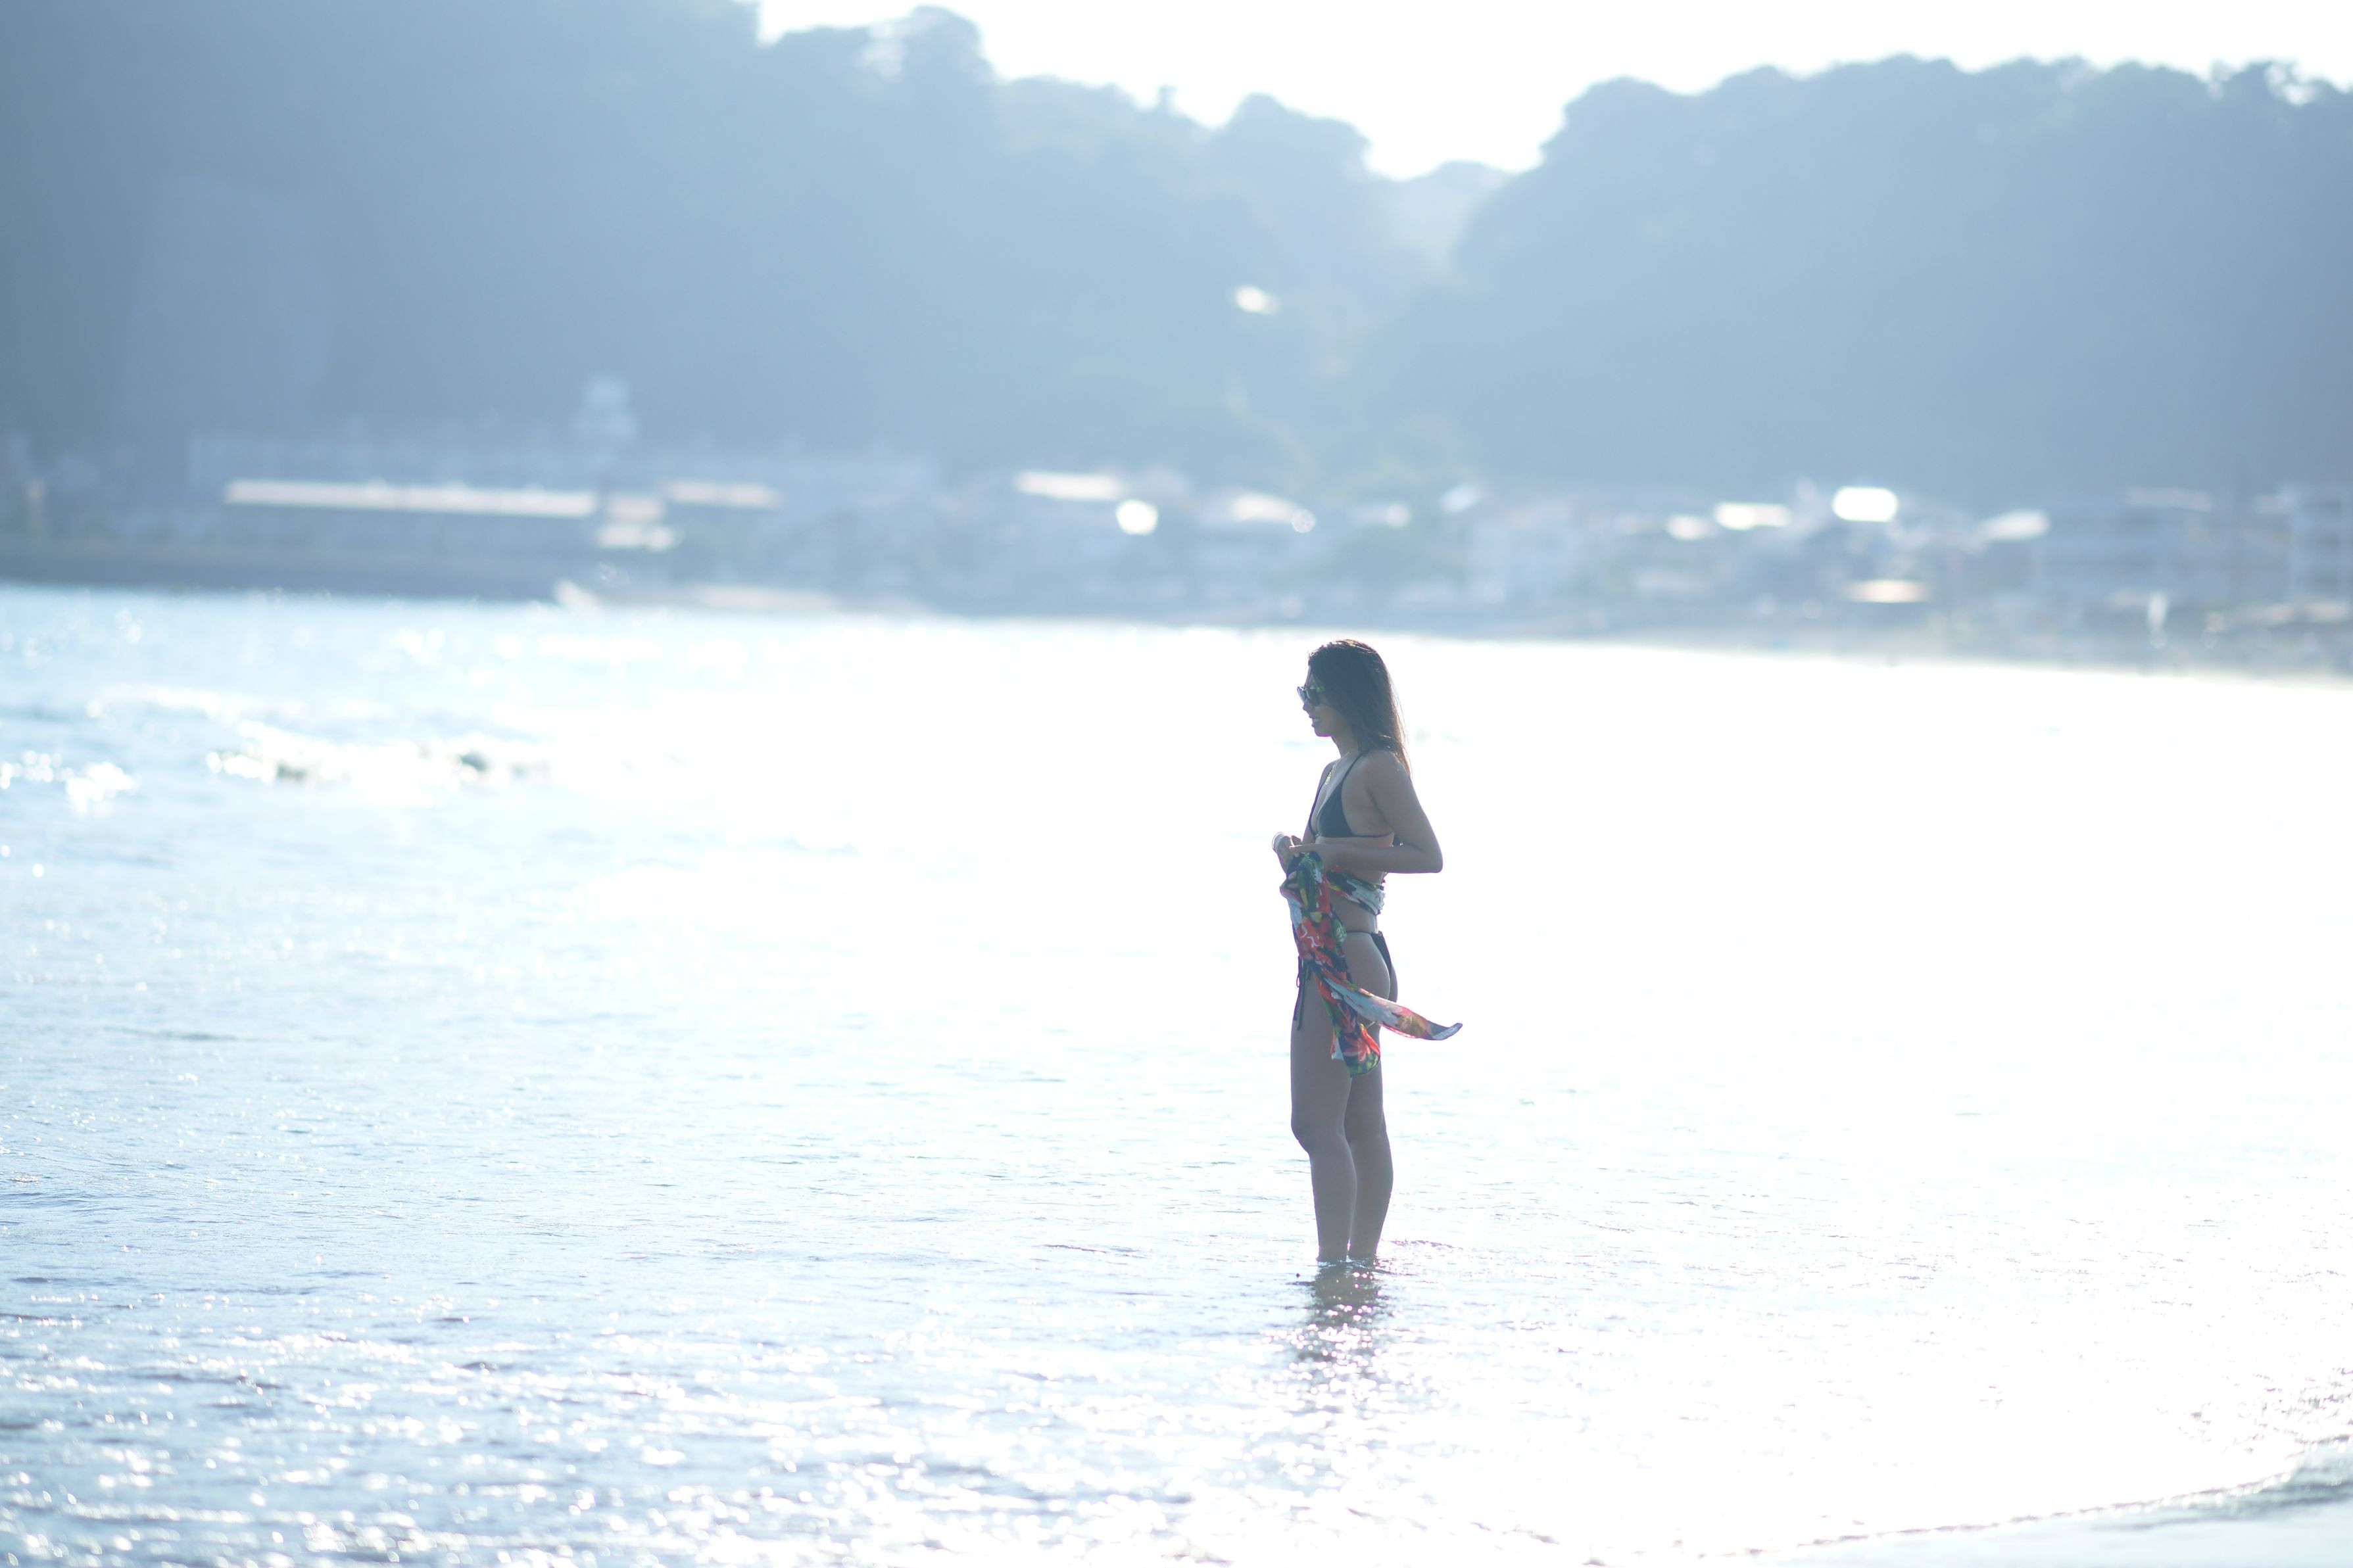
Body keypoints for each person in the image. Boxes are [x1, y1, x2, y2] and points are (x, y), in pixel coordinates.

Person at [1272, 639, 1454, 1270]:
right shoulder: (1334, 771)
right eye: (1303, 693)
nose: (1307, 705)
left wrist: (1337, 851)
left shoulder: (1378, 767)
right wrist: (1294, 854)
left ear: (1348, 695)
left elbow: (1428, 855)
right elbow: (1321, 865)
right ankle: (1359, 1267)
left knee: (1317, 1125)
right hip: (1334, 956)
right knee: (1355, 1124)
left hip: (1349, 962)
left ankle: (1336, 1266)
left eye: (1315, 693)